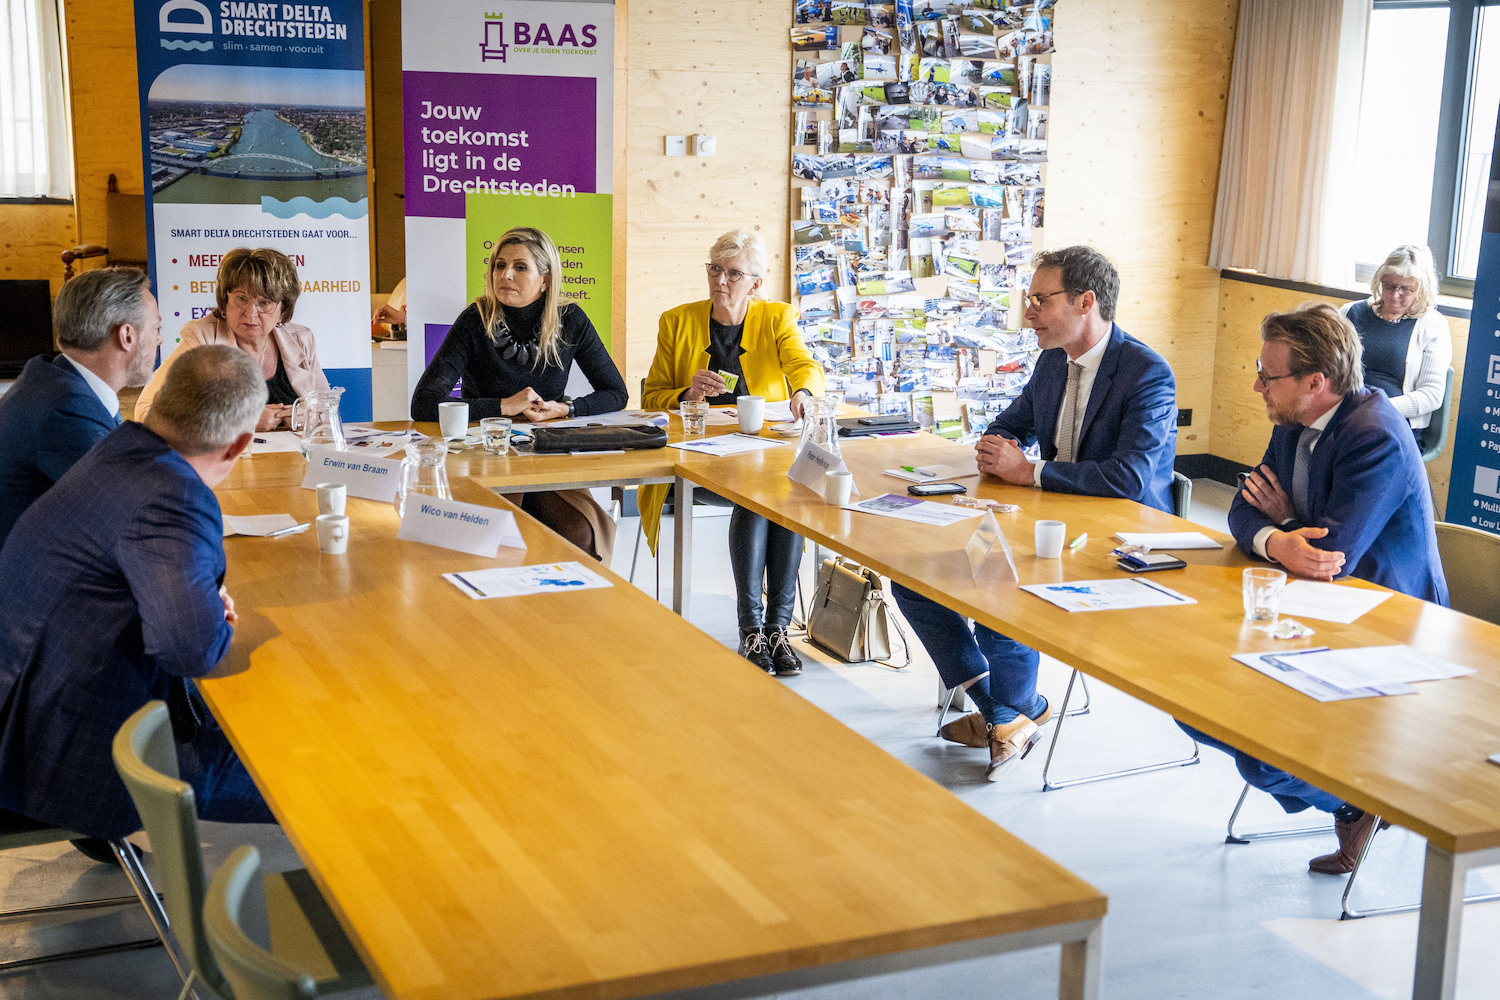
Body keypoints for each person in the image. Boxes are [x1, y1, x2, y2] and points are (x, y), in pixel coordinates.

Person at [891, 245, 1177, 780]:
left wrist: (1030, 472)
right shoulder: (1052, 362)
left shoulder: (1146, 373)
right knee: (911, 577)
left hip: (1119, 542)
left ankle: (1006, 714)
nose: (1029, 313)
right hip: (1051, 524)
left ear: (1085, 302)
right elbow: (1014, 420)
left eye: (1040, 300)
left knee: (1002, 591)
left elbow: (1130, 479)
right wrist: (998, 441)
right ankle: (1005, 712)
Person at [1182, 302, 1447, 875]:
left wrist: (1285, 523)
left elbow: (1331, 553)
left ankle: (1360, 804)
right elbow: (1242, 508)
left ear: (1315, 382)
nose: (1256, 385)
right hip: (1315, 608)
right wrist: (1279, 537)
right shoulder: (1294, 422)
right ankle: (1352, 801)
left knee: (1260, 759)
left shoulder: (1374, 433)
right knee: (1189, 704)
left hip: (1386, 623)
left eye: (1267, 375)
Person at [0, 345, 276, 846]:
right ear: (239, 445)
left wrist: (199, 603)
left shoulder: (115, 448)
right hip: (57, 754)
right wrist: (211, 615)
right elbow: (191, 650)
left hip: (25, 706)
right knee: (303, 767)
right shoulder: (175, 494)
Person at [642, 229, 826, 676]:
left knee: (783, 492)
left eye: (733, 273)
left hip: (759, 456)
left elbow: (805, 365)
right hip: (698, 461)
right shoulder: (677, 321)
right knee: (759, 495)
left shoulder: (777, 317)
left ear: (756, 284)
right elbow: (650, 397)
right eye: (714, 270)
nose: (721, 281)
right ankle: (752, 629)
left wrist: (802, 391)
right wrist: (686, 394)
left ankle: (776, 630)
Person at [412, 226, 628, 562]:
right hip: (486, 457)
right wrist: (501, 406)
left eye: (520, 267)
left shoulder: (570, 320)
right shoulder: (476, 319)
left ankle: (567, 613)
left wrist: (565, 408)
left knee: (580, 535)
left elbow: (616, 393)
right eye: (499, 265)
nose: (506, 274)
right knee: (501, 541)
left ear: (545, 279)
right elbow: (423, 402)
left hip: (545, 458)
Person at [0, 267, 161, 547]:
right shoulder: (65, 409)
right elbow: (130, 513)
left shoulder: (57, 379)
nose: (159, 339)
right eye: (156, 328)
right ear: (127, 335)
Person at [135, 247, 327, 431]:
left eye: (264, 303)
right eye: (241, 298)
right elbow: (147, 412)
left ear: (283, 309)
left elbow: (328, 412)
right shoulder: (202, 338)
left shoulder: (301, 340)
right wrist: (243, 419)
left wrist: (308, 416)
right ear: (225, 300)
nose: (250, 314)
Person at [1337, 245, 1452, 447]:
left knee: (1352, 451)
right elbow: (1323, 366)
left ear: (1422, 289)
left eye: (1406, 289)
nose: (1395, 294)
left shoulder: (1432, 324)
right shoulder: (1349, 312)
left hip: (1393, 423)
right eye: (1389, 285)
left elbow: (1431, 396)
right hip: (1342, 415)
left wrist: (1376, 408)